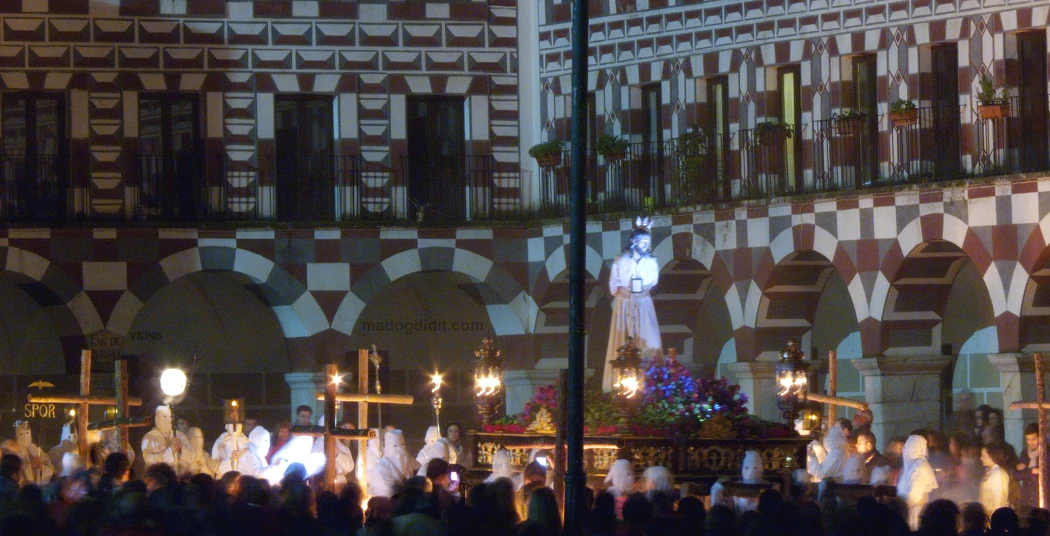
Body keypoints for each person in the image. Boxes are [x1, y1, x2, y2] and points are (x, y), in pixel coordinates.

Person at [602, 216, 661, 392]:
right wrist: (627, 292)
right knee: (622, 338)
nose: (646, 245)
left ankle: (650, 383)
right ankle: (618, 384)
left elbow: (653, 282)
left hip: (643, 304)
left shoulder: (651, 261)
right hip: (625, 304)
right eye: (643, 242)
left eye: (647, 242)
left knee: (648, 340)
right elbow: (614, 285)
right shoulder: (620, 261)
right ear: (634, 242)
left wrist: (641, 291)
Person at [897, 434, 938, 530]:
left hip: (915, 512)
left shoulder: (919, 467)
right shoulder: (912, 466)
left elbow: (913, 495)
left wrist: (898, 508)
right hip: (908, 511)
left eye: (909, 447)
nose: (905, 451)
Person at [141, 405, 192, 471]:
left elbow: (192, 456)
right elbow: (148, 459)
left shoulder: (179, 435)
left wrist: (181, 449)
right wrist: (170, 451)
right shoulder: (149, 437)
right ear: (157, 419)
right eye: (165, 417)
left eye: (170, 417)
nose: (169, 420)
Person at [368, 429, 416, 498]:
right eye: (395, 446)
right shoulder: (382, 467)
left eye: (402, 445)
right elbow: (388, 491)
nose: (400, 449)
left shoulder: (409, 461)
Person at [980, 442, 1014, 514]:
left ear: (991, 456)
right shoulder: (990, 471)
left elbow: (998, 498)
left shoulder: (997, 473)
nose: (981, 458)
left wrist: (996, 517)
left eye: (983, 455)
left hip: (993, 515)